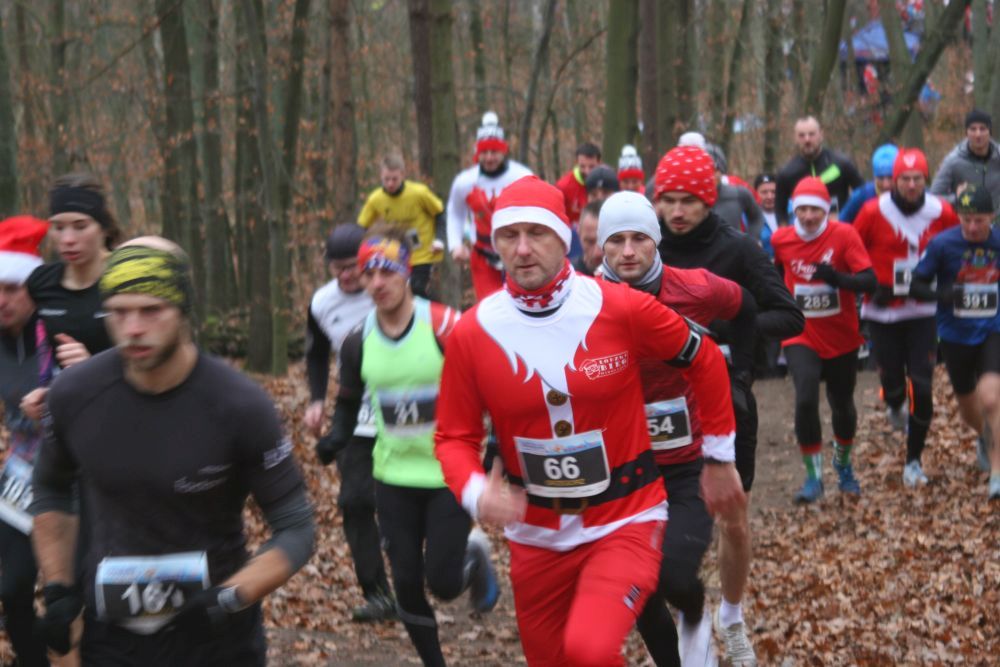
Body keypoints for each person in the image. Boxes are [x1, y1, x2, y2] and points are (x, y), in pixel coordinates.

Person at [434, 176, 741, 667]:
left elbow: (703, 358)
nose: (523, 248)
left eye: (538, 233)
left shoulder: (618, 306)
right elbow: (453, 436)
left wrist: (719, 458)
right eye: (509, 235)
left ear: (566, 239)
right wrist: (475, 492)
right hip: (535, 537)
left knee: (589, 649)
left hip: (627, 519)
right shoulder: (473, 332)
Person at [30, 237, 315, 665]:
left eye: (151, 310)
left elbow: (296, 528)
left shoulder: (239, 405)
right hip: (112, 639)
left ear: (182, 311)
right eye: (119, 312)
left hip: (217, 637)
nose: (133, 328)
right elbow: (51, 488)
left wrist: (230, 597)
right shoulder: (75, 395)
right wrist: (58, 591)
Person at [317, 228, 498, 667]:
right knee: (407, 587)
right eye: (369, 274)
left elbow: (491, 386)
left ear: (406, 272)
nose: (377, 282)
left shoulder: (445, 325)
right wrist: (336, 438)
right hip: (392, 476)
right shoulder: (357, 341)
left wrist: (495, 447)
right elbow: (348, 401)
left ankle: (473, 557)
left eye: (387, 272)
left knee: (443, 583)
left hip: (447, 474)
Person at [656, 145, 805, 667]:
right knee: (668, 523)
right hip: (661, 407)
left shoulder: (737, 250)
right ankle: (686, 613)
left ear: (709, 199)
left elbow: (790, 316)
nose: (677, 212)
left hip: (727, 400)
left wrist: (725, 324)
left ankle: (732, 617)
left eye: (689, 201)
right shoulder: (646, 247)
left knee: (732, 521)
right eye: (668, 200)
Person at [597, 192, 753, 666]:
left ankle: (699, 614)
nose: (628, 251)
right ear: (600, 247)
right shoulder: (584, 301)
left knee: (675, 575)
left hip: (689, 461)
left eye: (639, 239)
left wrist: (740, 373)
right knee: (638, 590)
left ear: (657, 240)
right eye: (616, 240)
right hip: (623, 466)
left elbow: (745, 307)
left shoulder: (696, 287)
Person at [854, 148, 959, 487]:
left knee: (923, 386)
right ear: (894, 180)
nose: (911, 185)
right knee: (893, 386)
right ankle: (895, 401)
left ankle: (913, 461)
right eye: (904, 179)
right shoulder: (873, 211)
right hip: (883, 312)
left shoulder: (941, 212)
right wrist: (870, 284)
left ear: (925, 179)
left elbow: (957, 249)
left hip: (923, 311)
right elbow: (852, 251)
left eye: (917, 178)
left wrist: (949, 287)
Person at [304, 223, 393, 622]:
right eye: (336, 268)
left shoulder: (390, 288)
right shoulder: (322, 302)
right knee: (354, 502)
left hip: (404, 409)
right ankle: (378, 595)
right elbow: (316, 352)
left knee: (400, 499)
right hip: (354, 411)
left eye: (351, 267)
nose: (345, 275)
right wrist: (317, 399)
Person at [771, 178, 876, 503]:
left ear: (826, 210)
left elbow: (869, 280)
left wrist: (838, 279)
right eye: (801, 209)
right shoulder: (780, 240)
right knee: (805, 398)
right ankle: (813, 477)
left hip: (841, 336)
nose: (808, 216)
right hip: (800, 333)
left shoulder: (844, 235)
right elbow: (773, 273)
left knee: (842, 404)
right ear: (793, 210)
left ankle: (843, 465)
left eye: (814, 210)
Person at [911, 185, 1000, 498]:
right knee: (968, 407)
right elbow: (916, 284)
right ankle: (986, 436)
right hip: (954, 334)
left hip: (993, 329)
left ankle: (997, 473)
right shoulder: (942, 244)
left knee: (991, 399)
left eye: (979, 220)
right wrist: (941, 294)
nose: (973, 227)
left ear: (992, 216)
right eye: (966, 220)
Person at [21, 174, 122, 421]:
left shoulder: (127, 278)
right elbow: (30, 352)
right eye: (58, 227)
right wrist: (44, 393)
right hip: (71, 419)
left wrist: (93, 367)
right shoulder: (41, 283)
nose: (67, 240)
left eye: (80, 226)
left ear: (104, 228)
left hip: (127, 414)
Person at [0, 216, 54, 667]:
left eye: (12, 288)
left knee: (68, 594)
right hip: (20, 473)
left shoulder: (58, 332)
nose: (2, 299)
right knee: (13, 588)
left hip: (73, 476)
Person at [446, 112, 533, 301]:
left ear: (504, 151)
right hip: (483, 257)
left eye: (494, 152)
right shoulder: (465, 181)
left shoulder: (522, 176)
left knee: (522, 305)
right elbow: (455, 213)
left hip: (518, 254)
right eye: (484, 152)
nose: (489, 157)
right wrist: (455, 245)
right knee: (488, 308)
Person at [358, 154, 444, 298]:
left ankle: (433, 309)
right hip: (394, 255)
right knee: (398, 294)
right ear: (381, 176)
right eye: (386, 179)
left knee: (417, 289)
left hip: (422, 254)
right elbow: (361, 227)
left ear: (403, 175)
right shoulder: (375, 199)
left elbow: (440, 213)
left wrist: (439, 239)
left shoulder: (419, 193)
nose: (390, 184)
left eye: (394, 179)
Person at [775, 116, 865, 224]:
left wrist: (851, 220)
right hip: (805, 231)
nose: (807, 140)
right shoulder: (786, 173)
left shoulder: (841, 163)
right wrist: (785, 231)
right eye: (802, 135)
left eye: (811, 134)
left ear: (821, 135)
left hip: (840, 227)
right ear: (795, 138)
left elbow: (863, 194)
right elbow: (780, 211)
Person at [930, 110, 1000, 211]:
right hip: (967, 217)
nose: (978, 134)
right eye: (973, 129)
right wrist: (958, 198)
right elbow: (933, 198)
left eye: (983, 129)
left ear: (990, 132)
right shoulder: (953, 161)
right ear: (966, 133)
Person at [707, 144, 765, 240]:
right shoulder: (690, 198)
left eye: (714, 170)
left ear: (722, 172)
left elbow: (757, 217)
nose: (710, 175)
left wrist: (751, 240)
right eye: (706, 170)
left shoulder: (738, 194)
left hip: (733, 248)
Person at [840, 144, 899, 223]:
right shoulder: (861, 196)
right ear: (874, 177)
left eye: (890, 177)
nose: (886, 185)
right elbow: (842, 223)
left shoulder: (908, 196)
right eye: (881, 178)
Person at [555, 142, 601, 224]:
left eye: (592, 166)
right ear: (576, 163)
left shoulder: (607, 183)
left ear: (599, 163)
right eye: (582, 166)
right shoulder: (563, 187)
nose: (587, 171)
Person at [573, 200, 603, 276]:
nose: (597, 253)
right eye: (589, 242)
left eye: (604, 242)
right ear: (579, 233)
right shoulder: (567, 279)